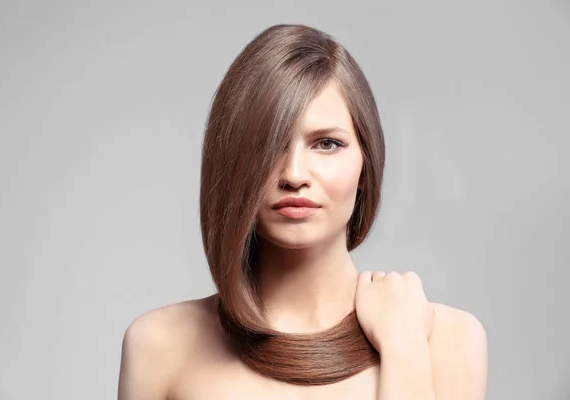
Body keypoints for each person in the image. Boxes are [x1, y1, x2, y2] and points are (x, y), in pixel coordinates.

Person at [117, 23, 488, 399]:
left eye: (327, 144)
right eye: (267, 145)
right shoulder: (159, 345)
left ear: (366, 164)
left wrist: (403, 349)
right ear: (230, 164)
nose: (294, 175)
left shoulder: (449, 342)